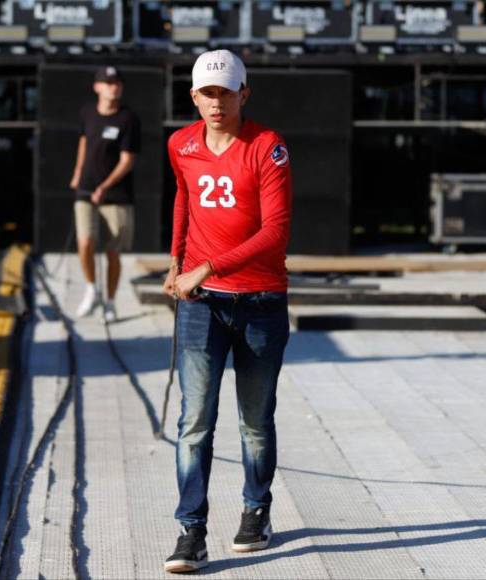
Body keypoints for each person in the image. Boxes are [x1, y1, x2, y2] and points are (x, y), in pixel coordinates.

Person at [162, 49, 293, 573]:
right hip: (201, 305)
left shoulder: (267, 146)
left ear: (244, 92)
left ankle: (254, 510)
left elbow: (275, 231)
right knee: (195, 420)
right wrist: (176, 260)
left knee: (255, 420)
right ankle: (190, 530)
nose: (216, 102)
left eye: (225, 91)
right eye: (206, 93)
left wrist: (207, 266)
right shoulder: (181, 144)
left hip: (260, 300)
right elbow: (185, 199)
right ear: (193, 96)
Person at [69, 65, 141, 322]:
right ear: (97, 87)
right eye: (109, 82)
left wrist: (105, 187)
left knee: (113, 252)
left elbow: (127, 161)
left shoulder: (128, 119)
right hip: (86, 188)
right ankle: (91, 289)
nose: (115, 86)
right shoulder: (87, 113)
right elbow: (84, 142)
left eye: (118, 82)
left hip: (116, 193)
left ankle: (110, 302)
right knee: (85, 241)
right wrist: (78, 173)